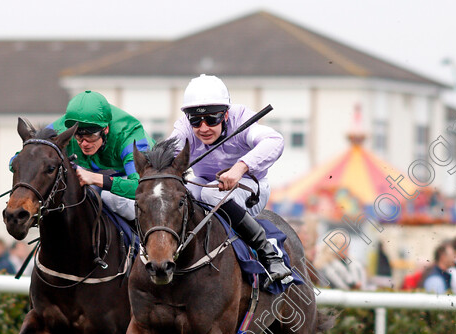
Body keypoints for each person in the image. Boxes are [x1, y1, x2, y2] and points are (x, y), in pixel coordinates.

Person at [168, 74, 290, 286]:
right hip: (205, 184)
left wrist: (240, 168)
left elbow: (275, 140)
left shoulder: (241, 118)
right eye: (196, 120)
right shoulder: (184, 129)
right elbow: (168, 152)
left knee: (209, 192)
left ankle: (269, 254)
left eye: (211, 119)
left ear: (225, 115)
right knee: (182, 194)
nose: (203, 128)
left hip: (251, 188)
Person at [48, 90, 153, 221]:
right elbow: (23, 155)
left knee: (112, 198)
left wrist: (96, 178)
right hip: (101, 173)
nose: (84, 143)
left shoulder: (130, 136)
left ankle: (140, 240)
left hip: (148, 182)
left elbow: (142, 188)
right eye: (79, 136)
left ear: (106, 129)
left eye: (91, 135)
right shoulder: (62, 128)